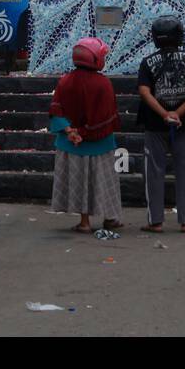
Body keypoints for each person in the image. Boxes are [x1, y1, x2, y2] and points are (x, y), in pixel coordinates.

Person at [137, 16, 185, 233]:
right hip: (184, 124)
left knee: (154, 172)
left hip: (155, 124)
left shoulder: (147, 62)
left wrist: (164, 113)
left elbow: (144, 92)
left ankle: (155, 221)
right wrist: (178, 113)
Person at [48, 37, 123, 234]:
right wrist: (85, 132)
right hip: (101, 143)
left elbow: (57, 109)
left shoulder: (65, 81)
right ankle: (110, 218)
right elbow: (107, 116)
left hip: (71, 142)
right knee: (105, 181)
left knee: (80, 181)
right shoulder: (103, 83)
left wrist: (70, 131)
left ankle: (84, 222)